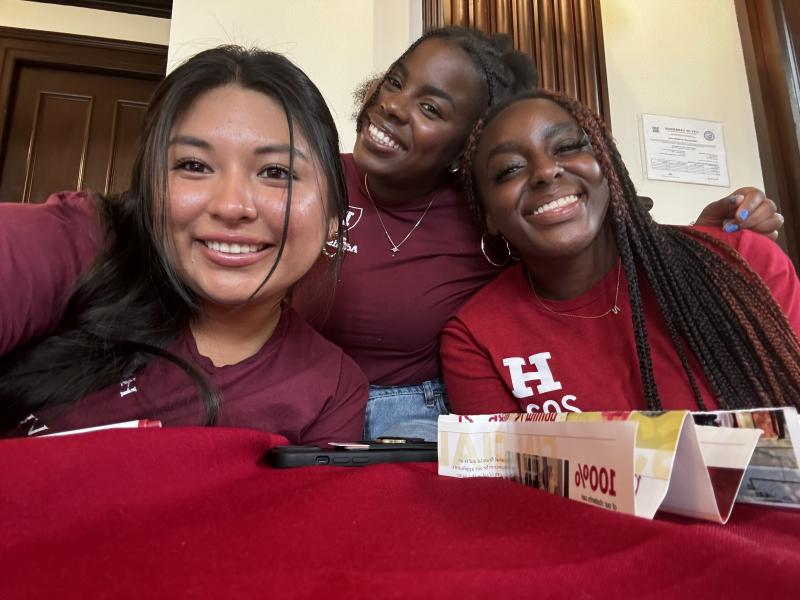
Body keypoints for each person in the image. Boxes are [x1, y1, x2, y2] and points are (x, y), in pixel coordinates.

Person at [301, 27, 785, 440]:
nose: (393, 106)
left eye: (431, 108)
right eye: (395, 83)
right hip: (301, 389)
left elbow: (583, 233)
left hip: (415, 413)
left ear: (460, 150)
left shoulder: (481, 212)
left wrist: (700, 242)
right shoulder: (311, 179)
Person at [0, 46, 368, 443]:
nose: (231, 206)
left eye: (276, 172)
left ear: (334, 217)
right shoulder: (79, 241)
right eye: (194, 165)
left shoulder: (333, 389)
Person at [440, 90, 800, 414]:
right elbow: (503, 482)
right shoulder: (476, 337)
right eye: (510, 169)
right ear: (489, 215)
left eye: (567, 147)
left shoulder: (740, 261)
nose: (546, 172)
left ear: (608, 166)